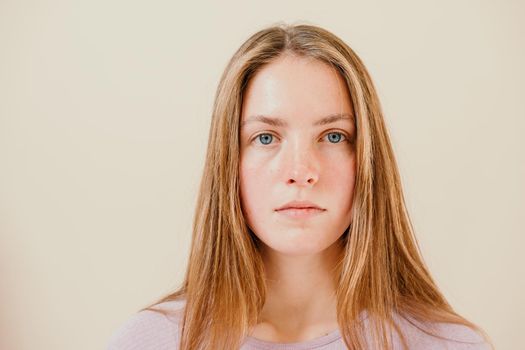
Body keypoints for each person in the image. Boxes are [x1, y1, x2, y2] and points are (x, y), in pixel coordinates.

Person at [107, 22, 494, 350]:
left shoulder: (451, 344)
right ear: (228, 163)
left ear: (369, 162)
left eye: (333, 136)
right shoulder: (149, 341)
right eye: (265, 138)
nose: (301, 171)